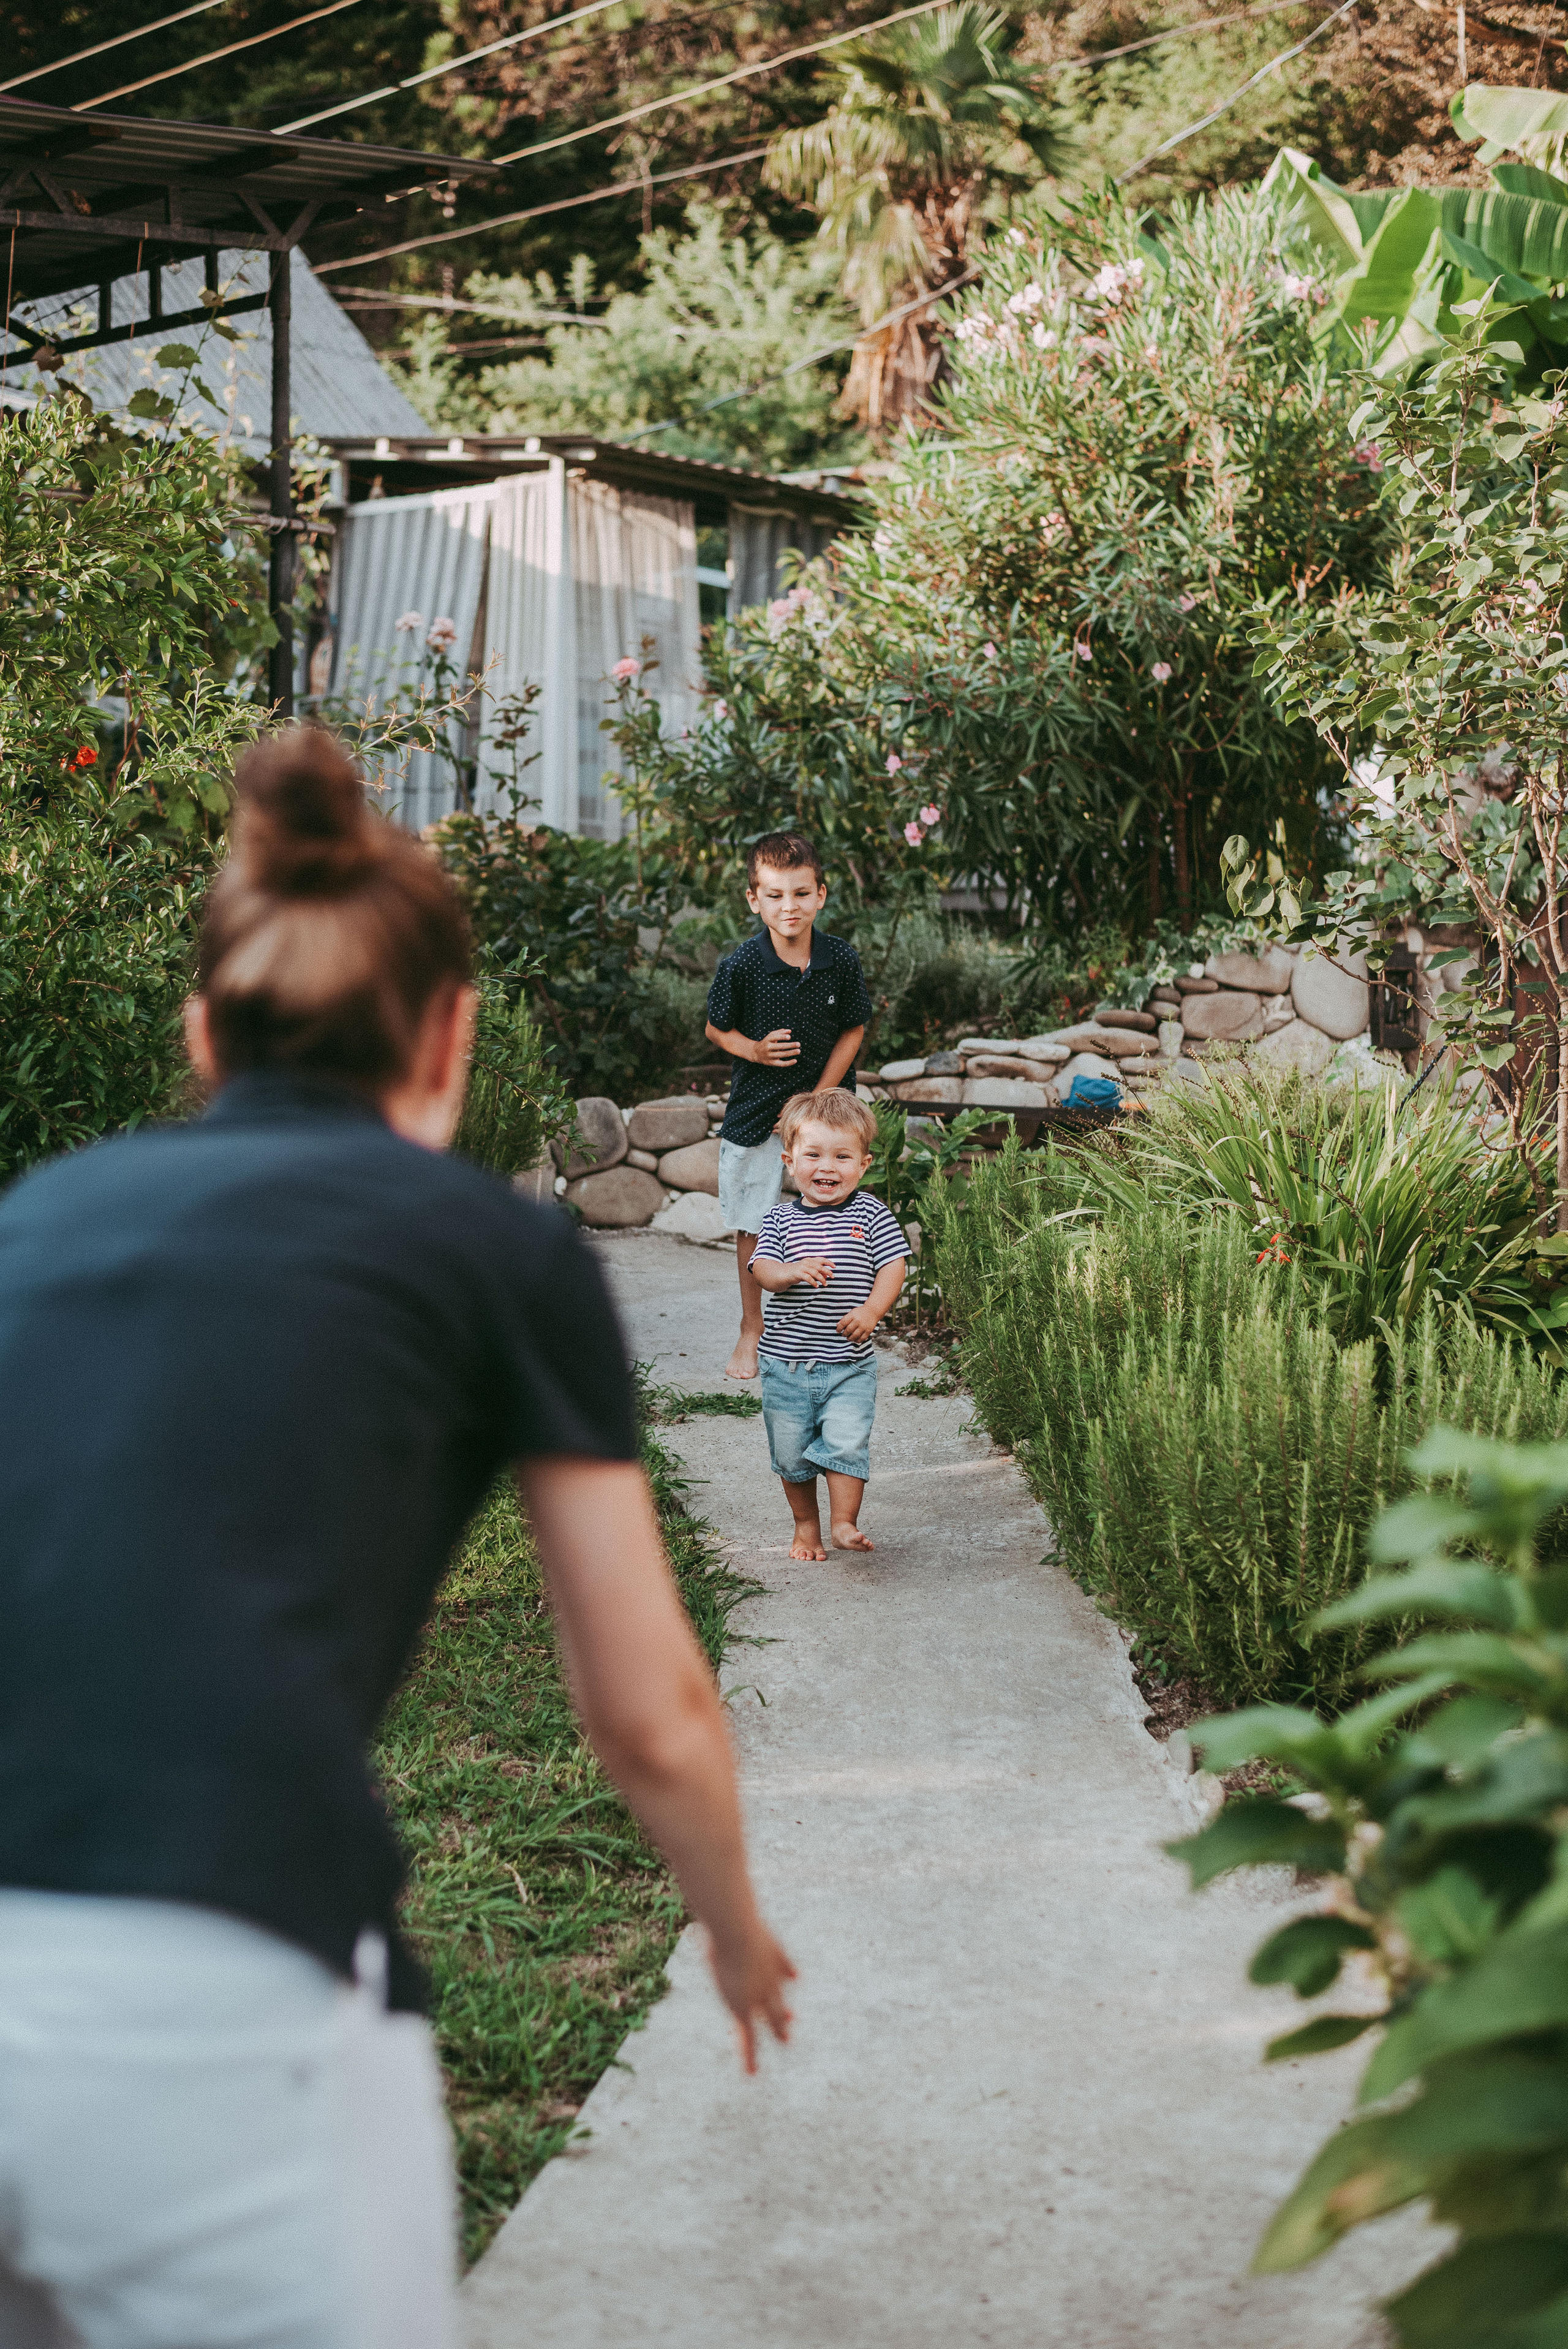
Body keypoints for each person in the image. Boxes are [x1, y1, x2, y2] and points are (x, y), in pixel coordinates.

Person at [0, 728, 794, 2349]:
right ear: (451, 1037)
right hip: (213, 2008)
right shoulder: (495, 1255)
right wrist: (730, 1928)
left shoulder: (37, 1219)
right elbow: (646, 1710)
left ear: (204, 1036)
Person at [703, 832, 872, 1382]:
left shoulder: (839, 959)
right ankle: (753, 1328)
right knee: (754, 1223)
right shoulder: (742, 966)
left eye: (801, 894)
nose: (789, 907)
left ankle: (825, 1328)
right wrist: (750, 1049)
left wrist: (817, 1100)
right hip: (756, 1114)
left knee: (832, 1216)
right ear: (755, 900)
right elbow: (715, 1028)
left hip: (825, 1113)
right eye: (775, 896)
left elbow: (854, 1028)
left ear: (821, 895)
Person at [747, 1089, 908, 1560]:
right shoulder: (779, 1221)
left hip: (849, 1365)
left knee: (846, 1444)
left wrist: (872, 1311)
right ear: (789, 1160)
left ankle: (844, 1524)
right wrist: (793, 1270)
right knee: (793, 1458)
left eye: (842, 1156)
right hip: (786, 1366)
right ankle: (805, 1528)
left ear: (863, 1164)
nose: (827, 1167)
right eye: (813, 1155)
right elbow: (762, 1271)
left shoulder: (870, 1214)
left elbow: (893, 1266)